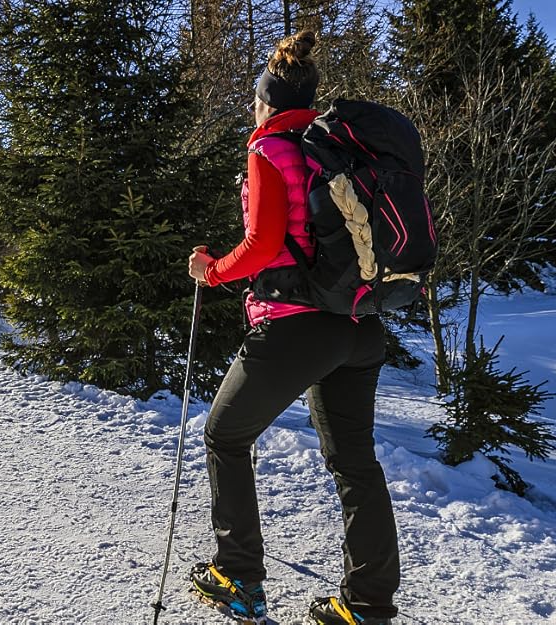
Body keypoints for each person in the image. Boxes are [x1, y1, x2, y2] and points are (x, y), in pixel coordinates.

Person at [184, 31, 400, 625]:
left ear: (264, 101)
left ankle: (239, 577)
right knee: (356, 463)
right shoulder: (336, 146)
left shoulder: (269, 148)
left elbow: (262, 244)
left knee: (225, 436)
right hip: (360, 325)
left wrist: (213, 271)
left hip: (297, 327)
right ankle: (368, 606)